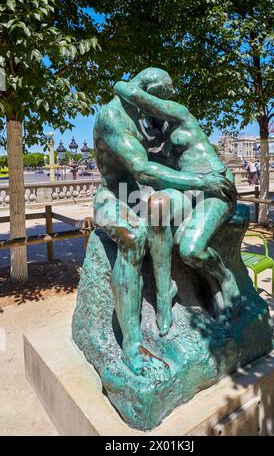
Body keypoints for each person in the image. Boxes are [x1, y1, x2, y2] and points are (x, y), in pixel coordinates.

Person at [93, 67, 236, 377]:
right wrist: (200, 181)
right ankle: (132, 347)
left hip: (143, 196)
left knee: (158, 215)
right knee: (132, 236)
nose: (161, 111)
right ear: (147, 95)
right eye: (159, 102)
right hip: (112, 196)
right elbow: (142, 170)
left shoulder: (149, 124)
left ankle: (166, 292)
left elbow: (161, 167)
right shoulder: (112, 117)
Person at [114, 75, 240, 334]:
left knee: (191, 250)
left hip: (215, 187)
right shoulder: (152, 137)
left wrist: (122, 85)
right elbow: (149, 172)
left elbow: (131, 93)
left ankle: (225, 278)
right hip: (189, 189)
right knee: (157, 206)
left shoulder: (180, 115)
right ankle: (164, 293)